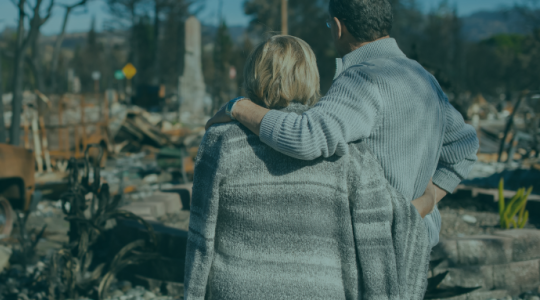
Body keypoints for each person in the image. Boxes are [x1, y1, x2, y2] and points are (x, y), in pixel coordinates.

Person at [205, 0, 479, 248]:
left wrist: (237, 106)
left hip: (379, 251)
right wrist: (427, 201)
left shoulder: (363, 79)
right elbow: (465, 147)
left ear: (338, 27)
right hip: (419, 243)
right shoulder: (423, 78)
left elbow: (305, 137)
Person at [185, 35, 433, 300]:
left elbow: (201, 236)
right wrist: (429, 198)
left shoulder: (220, 141)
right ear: (311, 77)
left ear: (252, 76)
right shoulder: (347, 151)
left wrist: (194, 294)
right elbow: (382, 224)